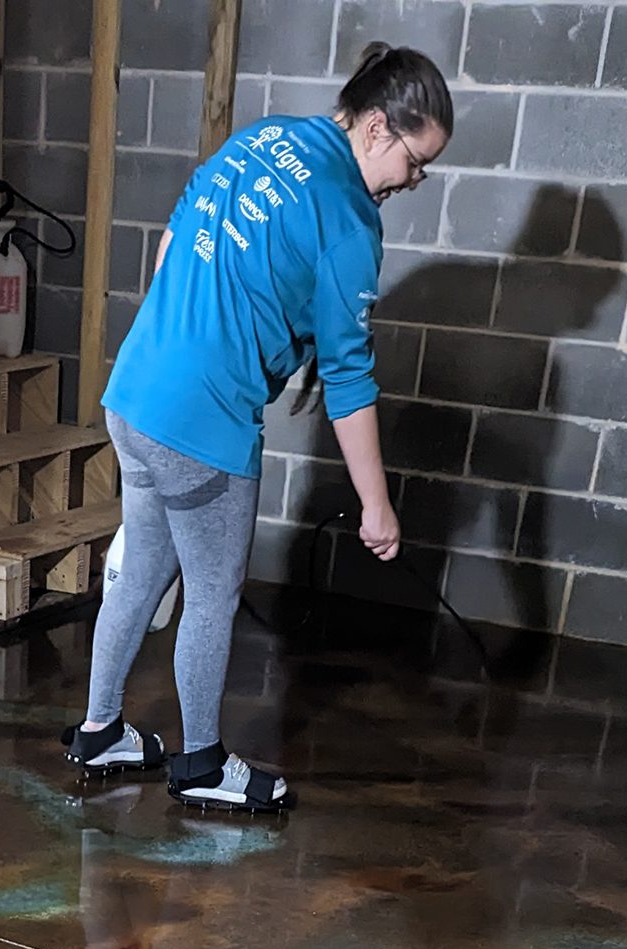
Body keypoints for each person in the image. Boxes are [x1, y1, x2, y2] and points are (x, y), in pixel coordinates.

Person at [63, 43, 453, 812]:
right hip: (201, 424)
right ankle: (202, 765)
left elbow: (178, 239)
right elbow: (349, 381)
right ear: (377, 129)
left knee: (142, 569)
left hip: (135, 391)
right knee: (211, 593)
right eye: (416, 163)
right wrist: (377, 506)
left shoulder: (266, 138)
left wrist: (204, 340)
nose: (414, 182)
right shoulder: (349, 222)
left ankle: (100, 729)